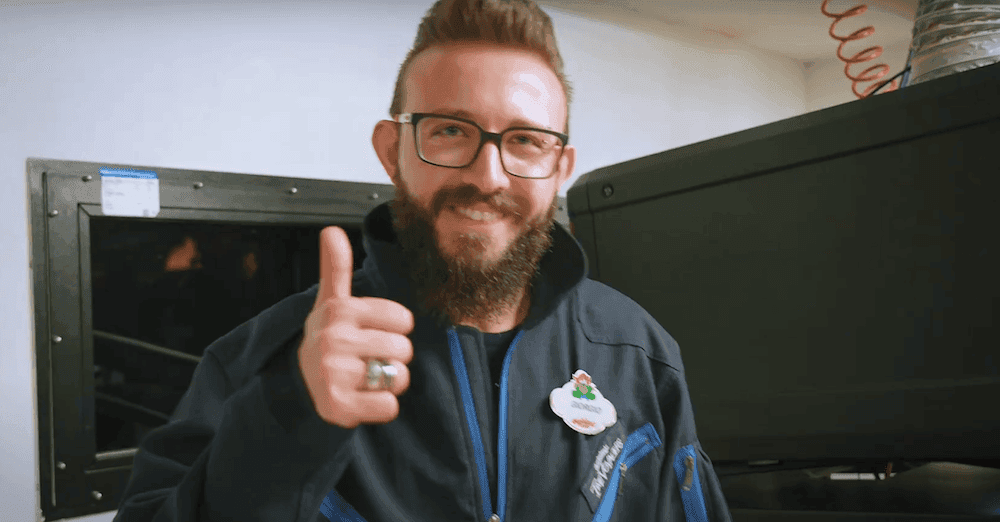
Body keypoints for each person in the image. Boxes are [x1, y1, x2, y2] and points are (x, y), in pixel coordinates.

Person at [114, 0, 734, 520]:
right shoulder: (261, 359)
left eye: (525, 140)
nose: (488, 176)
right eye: (449, 131)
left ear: (560, 167)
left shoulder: (639, 352)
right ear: (393, 150)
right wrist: (290, 416)